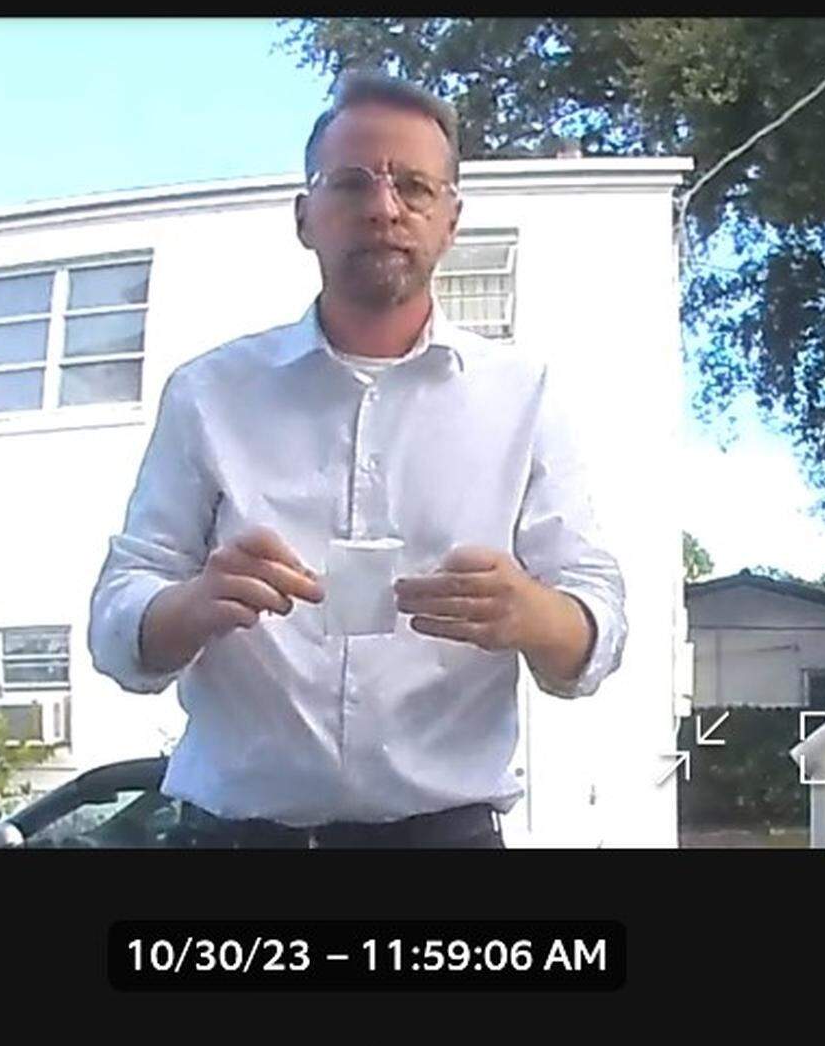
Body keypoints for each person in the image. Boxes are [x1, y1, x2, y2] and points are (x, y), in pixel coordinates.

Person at [88, 71, 627, 849]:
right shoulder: (208, 394)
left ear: (450, 220)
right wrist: (190, 606)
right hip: (234, 840)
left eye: (413, 185)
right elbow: (117, 617)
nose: (382, 207)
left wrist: (536, 615)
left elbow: (597, 614)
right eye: (351, 183)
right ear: (305, 217)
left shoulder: (524, 397)